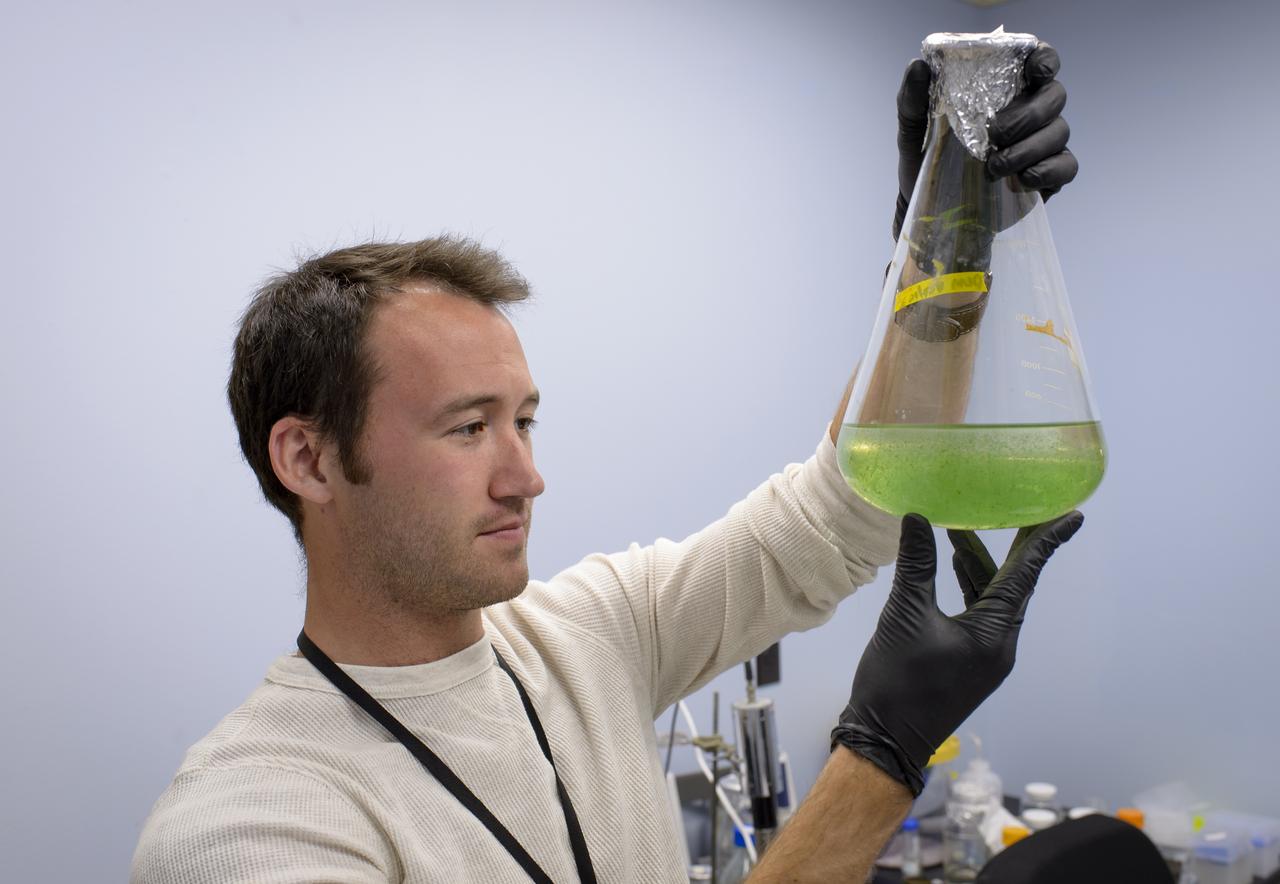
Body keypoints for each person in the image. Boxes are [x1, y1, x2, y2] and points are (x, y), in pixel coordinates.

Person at [132, 46, 1080, 883]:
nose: (524, 478)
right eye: (467, 429)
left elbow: (850, 504)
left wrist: (941, 251)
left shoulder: (585, 637)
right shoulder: (252, 826)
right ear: (308, 459)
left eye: (524, 422)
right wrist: (881, 755)